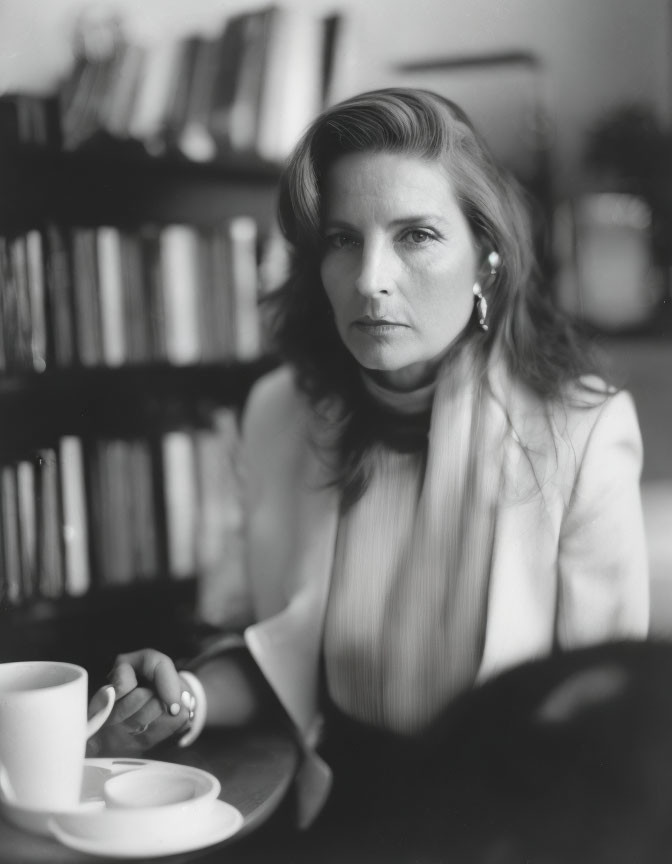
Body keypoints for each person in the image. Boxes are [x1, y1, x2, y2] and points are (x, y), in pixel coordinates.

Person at [90, 88, 651, 860]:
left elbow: (598, 721)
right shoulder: (279, 412)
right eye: (342, 240)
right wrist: (178, 699)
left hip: (506, 822)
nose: (369, 278)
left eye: (416, 234)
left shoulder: (584, 431)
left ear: (486, 259)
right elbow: (274, 654)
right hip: (330, 803)